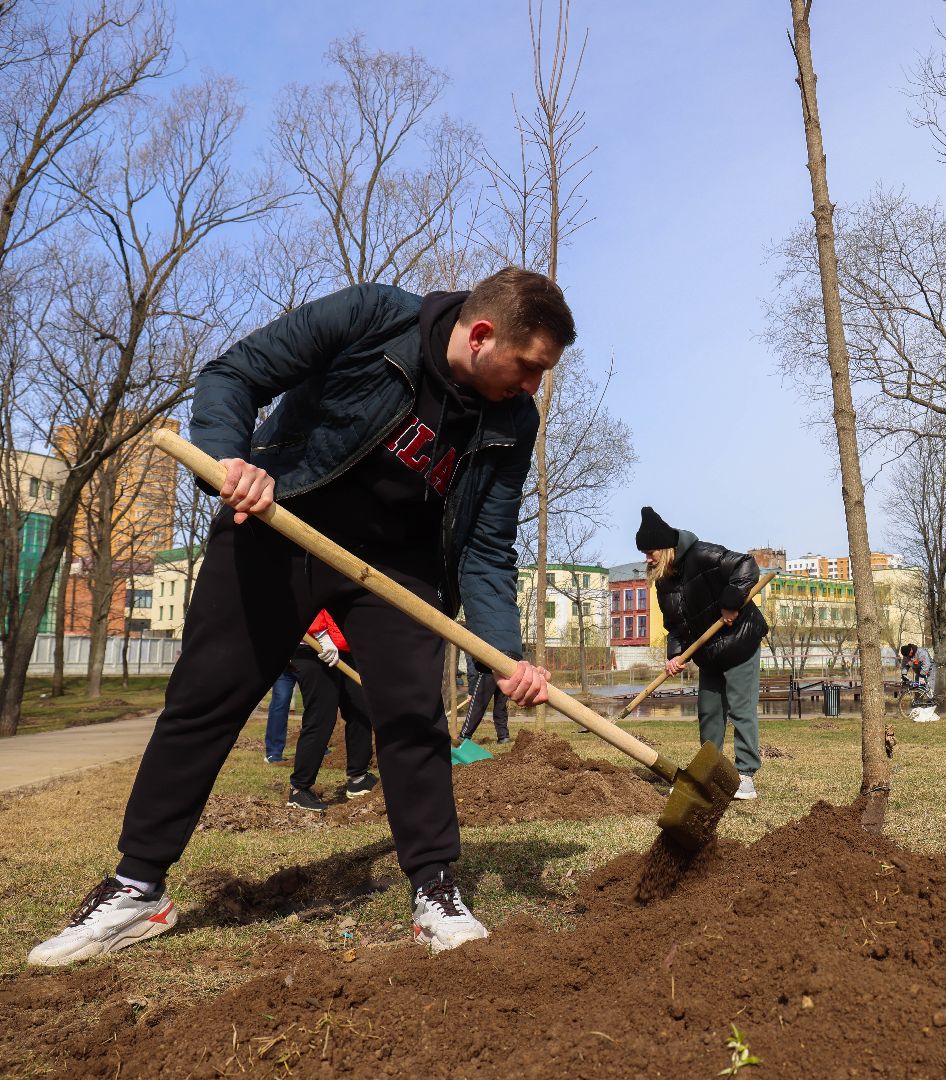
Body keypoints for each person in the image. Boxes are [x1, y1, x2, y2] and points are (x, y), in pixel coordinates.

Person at [27, 268, 569, 967]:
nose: (532, 389)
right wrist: (231, 460)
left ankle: (434, 887)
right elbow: (234, 374)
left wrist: (503, 650)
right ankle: (137, 888)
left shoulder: (511, 420)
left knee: (411, 716)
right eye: (528, 369)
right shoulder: (375, 316)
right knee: (204, 702)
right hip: (281, 519)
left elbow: (489, 544)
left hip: (396, 571)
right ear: (483, 333)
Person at [637, 507, 768, 801]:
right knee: (709, 713)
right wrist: (675, 654)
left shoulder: (702, 554)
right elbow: (675, 625)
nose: (648, 558)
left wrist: (732, 601)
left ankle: (745, 776)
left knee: (740, 709)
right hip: (708, 653)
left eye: (650, 551)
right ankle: (708, 774)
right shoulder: (663, 581)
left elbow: (746, 566)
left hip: (740, 641)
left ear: (666, 547)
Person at [287, 610, 378, 811]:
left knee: (360, 709)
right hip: (311, 645)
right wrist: (321, 636)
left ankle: (358, 778)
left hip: (343, 646)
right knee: (322, 717)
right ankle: (299, 789)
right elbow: (310, 600)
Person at [459, 653, 510, 745]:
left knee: (477, 705)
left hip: (487, 671)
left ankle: (464, 736)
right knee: (500, 706)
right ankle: (503, 737)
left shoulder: (470, 642)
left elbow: (472, 669)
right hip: (504, 669)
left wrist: (471, 691)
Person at [263, 664, 296, 764]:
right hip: (286, 665)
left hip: (309, 662)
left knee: (314, 703)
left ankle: (319, 748)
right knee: (280, 703)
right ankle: (274, 752)